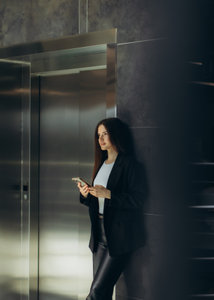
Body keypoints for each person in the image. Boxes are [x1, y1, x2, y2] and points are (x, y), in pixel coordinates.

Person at [76, 117, 147, 300]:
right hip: (99, 235)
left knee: (96, 293)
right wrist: (86, 194)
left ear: (115, 135)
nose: (100, 139)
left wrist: (109, 195)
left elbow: (138, 200)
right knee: (103, 293)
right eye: (98, 135)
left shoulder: (129, 164)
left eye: (105, 134)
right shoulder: (101, 164)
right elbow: (97, 201)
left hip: (119, 237)